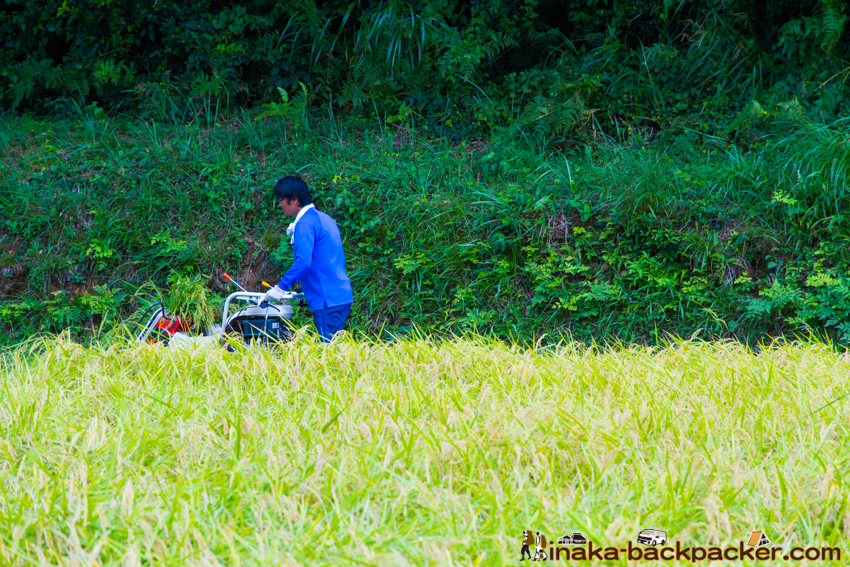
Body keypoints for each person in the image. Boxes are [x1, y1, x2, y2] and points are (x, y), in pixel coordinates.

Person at [261, 175, 353, 342]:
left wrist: (280, 288)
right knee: (332, 351)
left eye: (281, 199)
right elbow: (324, 259)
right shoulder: (323, 218)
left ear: (294, 200)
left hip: (327, 299)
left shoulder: (305, 223)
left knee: (328, 356)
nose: (279, 204)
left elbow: (303, 263)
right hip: (338, 295)